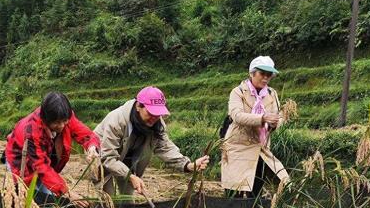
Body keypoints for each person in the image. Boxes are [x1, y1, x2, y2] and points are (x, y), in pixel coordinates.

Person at [94, 86, 209, 196]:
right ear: (139, 106)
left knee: (127, 200)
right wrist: (130, 176)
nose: (154, 118)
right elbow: (108, 158)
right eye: (150, 113)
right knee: (109, 198)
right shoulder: (116, 121)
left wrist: (188, 165)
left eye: (158, 114)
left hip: (128, 158)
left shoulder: (157, 124)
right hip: (101, 155)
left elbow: (165, 148)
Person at [4, 92, 99, 208]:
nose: (62, 126)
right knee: (27, 200)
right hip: (21, 162)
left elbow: (84, 133)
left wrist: (92, 147)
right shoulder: (32, 131)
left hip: (44, 162)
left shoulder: (65, 116)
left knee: (48, 200)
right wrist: (67, 192)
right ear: (46, 119)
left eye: (64, 121)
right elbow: (41, 167)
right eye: (57, 123)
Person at [221, 56, 289, 198]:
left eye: (269, 75)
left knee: (255, 191)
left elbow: (278, 115)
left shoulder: (272, 93)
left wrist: (276, 123)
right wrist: (262, 118)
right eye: (262, 74)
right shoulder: (238, 92)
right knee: (234, 190)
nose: (265, 78)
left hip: (260, 148)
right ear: (252, 73)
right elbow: (237, 116)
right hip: (238, 147)